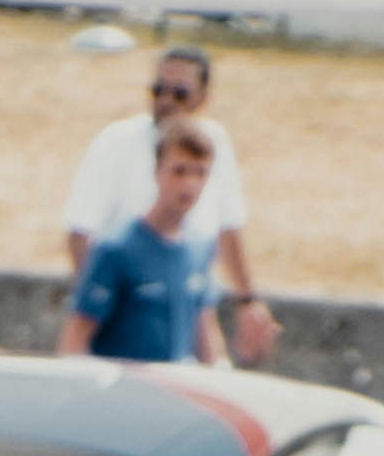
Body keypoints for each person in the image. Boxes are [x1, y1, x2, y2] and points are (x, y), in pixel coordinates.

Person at [66, 40, 278, 364]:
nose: (165, 102)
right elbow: (80, 233)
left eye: (179, 94)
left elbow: (229, 228)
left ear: (203, 97)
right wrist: (105, 300)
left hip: (183, 298)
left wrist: (247, 300)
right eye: (158, 90)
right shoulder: (117, 143)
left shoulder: (214, 143)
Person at [61, 119, 226, 364]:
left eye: (199, 173)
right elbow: (74, 342)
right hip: (129, 394)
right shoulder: (117, 249)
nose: (189, 184)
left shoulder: (200, 248)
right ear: (158, 172)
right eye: (179, 171)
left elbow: (206, 332)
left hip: (175, 391)